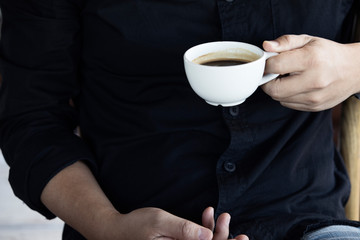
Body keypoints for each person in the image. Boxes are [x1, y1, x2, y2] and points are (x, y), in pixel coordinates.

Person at [0, 0, 360, 239]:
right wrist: (107, 226)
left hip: (304, 219)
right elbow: (32, 118)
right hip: (126, 221)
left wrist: (353, 66)